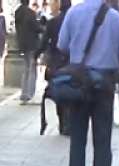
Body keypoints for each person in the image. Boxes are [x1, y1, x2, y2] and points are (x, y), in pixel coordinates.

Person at [57, 0, 119, 166]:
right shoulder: (115, 17)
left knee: (77, 142)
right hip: (104, 85)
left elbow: (62, 45)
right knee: (103, 143)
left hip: (79, 85)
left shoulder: (73, 13)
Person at [36, 0, 70, 135]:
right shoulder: (74, 22)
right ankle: (69, 121)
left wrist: (35, 55)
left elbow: (44, 42)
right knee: (71, 91)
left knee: (59, 91)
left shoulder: (53, 22)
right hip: (71, 61)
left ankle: (62, 122)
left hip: (56, 62)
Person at [15, 0, 42, 104]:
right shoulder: (30, 13)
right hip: (32, 43)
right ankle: (30, 94)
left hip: (22, 43)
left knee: (26, 69)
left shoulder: (18, 12)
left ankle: (24, 93)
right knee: (32, 69)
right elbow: (37, 28)